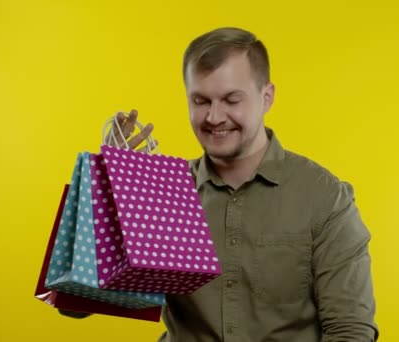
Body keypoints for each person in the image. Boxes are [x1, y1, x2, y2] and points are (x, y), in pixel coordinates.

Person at [64, 27, 379, 341]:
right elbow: (77, 305)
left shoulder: (324, 198)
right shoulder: (164, 193)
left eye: (231, 99)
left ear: (266, 97)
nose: (214, 117)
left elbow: (350, 331)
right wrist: (109, 190)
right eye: (200, 101)